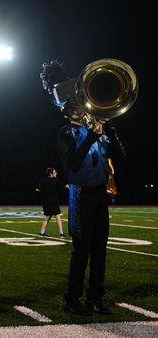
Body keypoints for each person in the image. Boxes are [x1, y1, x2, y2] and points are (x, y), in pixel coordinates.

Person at [57, 102, 125, 316]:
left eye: (80, 104)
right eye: (74, 106)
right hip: (80, 192)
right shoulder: (66, 132)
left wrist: (111, 132)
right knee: (82, 249)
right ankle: (73, 299)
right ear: (66, 113)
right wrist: (92, 137)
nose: (79, 108)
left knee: (100, 248)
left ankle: (95, 298)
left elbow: (121, 157)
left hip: (99, 193)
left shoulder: (96, 130)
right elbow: (73, 163)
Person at [36, 167, 67, 238]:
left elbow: (37, 189)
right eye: (55, 172)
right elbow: (65, 186)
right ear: (51, 174)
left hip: (45, 202)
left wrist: (45, 192)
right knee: (58, 216)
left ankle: (42, 232)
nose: (56, 173)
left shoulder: (42, 180)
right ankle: (61, 234)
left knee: (48, 217)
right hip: (53, 201)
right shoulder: (55, 180)